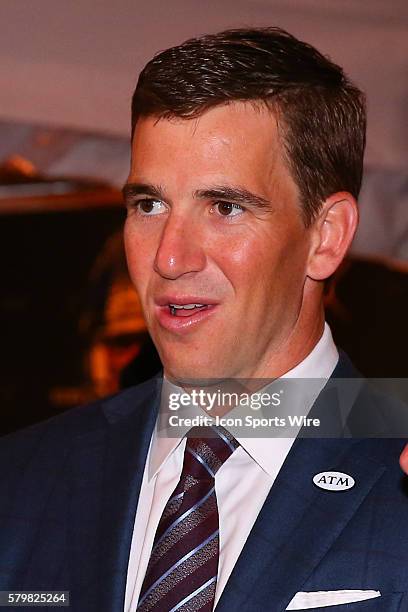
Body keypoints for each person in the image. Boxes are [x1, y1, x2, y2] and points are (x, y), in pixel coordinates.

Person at [1, 27, 407, 612]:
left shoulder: (394, 462)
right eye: (149, 204)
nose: (169, 257)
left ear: (326, 236)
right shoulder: (22, 480)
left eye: (225, 207)